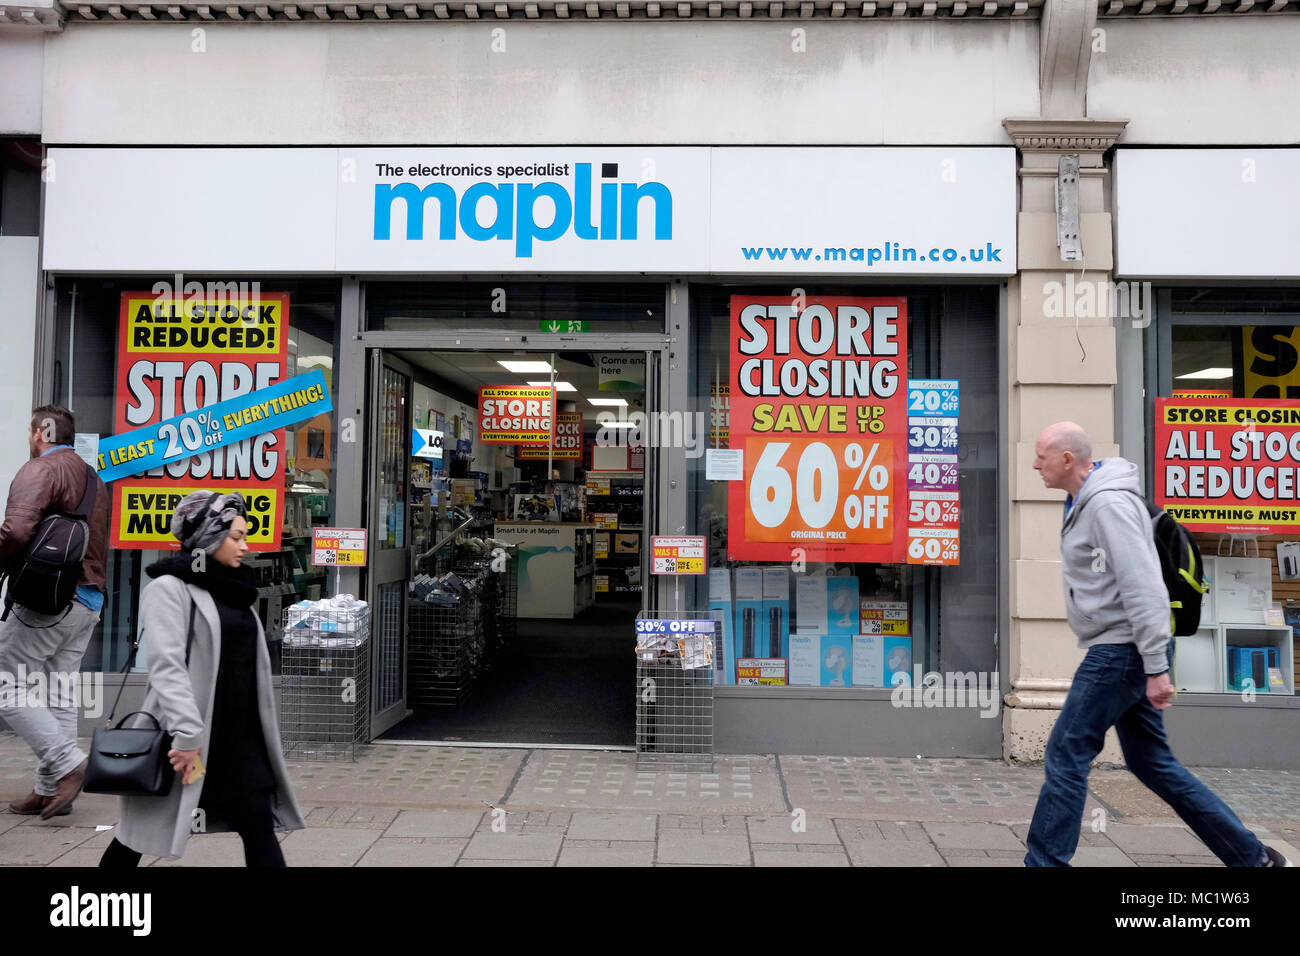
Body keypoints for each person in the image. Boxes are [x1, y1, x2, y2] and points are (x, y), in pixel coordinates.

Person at [1024, 421, 1291, 867]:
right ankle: (1250, 857)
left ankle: (1045, 864)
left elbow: (1144, 586)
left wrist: (1155, 666)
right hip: (1127, 649)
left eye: (1041, 456)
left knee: (1067, 752)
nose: (1035, 464)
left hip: (1122, 650)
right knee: (1153, 764)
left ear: (1068, 459)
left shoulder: (1108, 504)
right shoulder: (1082, 501)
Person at [98, 491, 305, 867]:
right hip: (189, 740)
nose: (246, 545)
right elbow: (166, 666)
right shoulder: (169, 589)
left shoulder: (237, 589)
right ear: (209, 538)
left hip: (238, 740)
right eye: (236, 537)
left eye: (245, 536)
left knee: (258, 822)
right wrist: (188, 734)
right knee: (138, 834)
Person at [0, 405, 109, 820]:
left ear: (41, 432)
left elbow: (16, 530)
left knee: (6, 684)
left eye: (31, 431)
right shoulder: (94, 479)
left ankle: (68, 765)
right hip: (89, 599)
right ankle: (50, 790)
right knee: (59, 693)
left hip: (50, 601)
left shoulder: (40, 470)